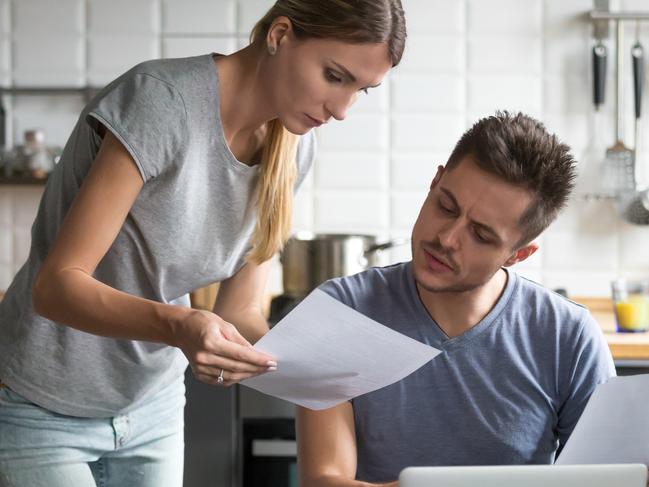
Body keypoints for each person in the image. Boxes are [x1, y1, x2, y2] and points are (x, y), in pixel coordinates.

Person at [0, 1, 407, 486]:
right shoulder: (161, 101)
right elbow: (56, 287)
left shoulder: (295, 147)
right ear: (280, 35)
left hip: (153, 407)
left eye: (361, 90)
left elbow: (238, 312)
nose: (342, 110)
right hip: (42, 404)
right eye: (334, 76)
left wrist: (325, 365)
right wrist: (185, 326)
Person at [296, 111, 616, 487]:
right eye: (446, 206)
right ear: (435, 182)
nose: (447, 238)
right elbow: (324, 480)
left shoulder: (569, 337)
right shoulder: (341, 311)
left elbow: (608, 478)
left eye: (481, 235)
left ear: (517, 255)